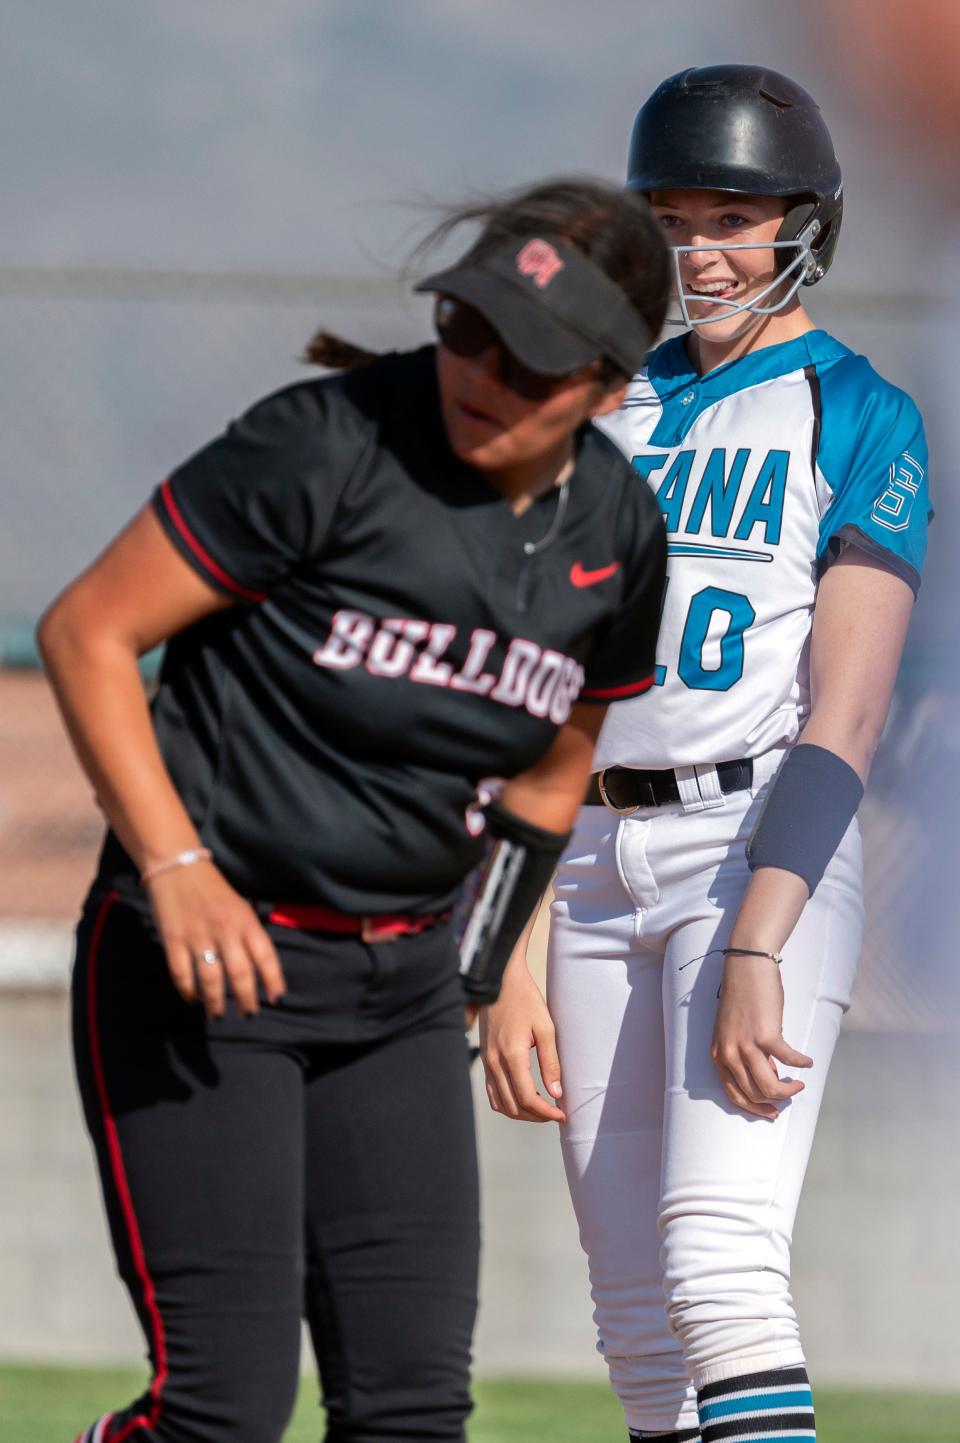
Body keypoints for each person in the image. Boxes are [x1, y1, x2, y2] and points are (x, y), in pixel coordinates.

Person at [40, 177, 671, 1443]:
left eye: (532, 359)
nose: (481, 371)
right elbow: (89, 632)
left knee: (410, 1414)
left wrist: (481, 973)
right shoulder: (326, 445)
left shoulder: (617, 529)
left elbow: (557, 769)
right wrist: (173, 864)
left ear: (608, 389)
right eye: (467, 327)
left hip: (398, 994)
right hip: (209, 969)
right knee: (219, 1413)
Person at [480, 66, 931, 1443]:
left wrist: (756, 941)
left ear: (804, 222)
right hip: (590, 856)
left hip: (757, 850)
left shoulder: (858, 413)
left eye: (732, 216)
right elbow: (535, 693)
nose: (700, 249)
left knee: (720, 1266)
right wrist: (506, 945)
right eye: (673, 217)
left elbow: (843, 719)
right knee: (631, 1314)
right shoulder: (599, 401)